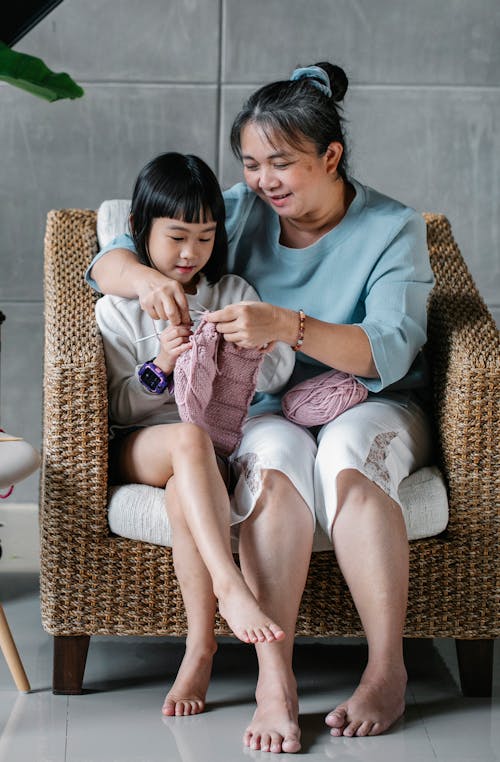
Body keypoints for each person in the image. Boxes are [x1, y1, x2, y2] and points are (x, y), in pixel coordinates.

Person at [87, 63, 434, 753]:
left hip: (367, 396)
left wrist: (291, 328)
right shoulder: (242, 209)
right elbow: (118, 249)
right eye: (251, 164)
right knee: (273, 464)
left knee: (344, 462)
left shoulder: (393, 228)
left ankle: (386, 671)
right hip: (266, 404)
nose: (264, 180)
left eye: (282, 163)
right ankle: (276, 680)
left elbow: (392, 347)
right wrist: (156, 285)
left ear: (330, 157)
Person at [94, 152, 296, 718]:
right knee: (186, 440)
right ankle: (231, 589)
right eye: (177, 237)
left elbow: (273, 382)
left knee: (191, 482)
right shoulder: (118, 309)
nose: (190, 254)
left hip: (209, 449)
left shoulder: (230, 291)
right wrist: (159, 366)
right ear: (142, 232)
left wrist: (256, 348)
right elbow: (113, 406)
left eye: (205, 239)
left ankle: (200, 649)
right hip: (141, 443)